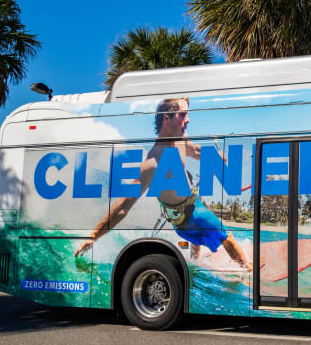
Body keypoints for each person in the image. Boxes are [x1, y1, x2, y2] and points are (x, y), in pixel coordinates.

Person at [75, 97, 251, 269]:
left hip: (191, 208)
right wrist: (94, 235)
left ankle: (194, 265)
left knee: (197, 241)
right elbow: (123, 205)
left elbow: (197, 152)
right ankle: (247, 270)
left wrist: (215, 157)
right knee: (227, 237)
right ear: (167, 118)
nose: (188, 120)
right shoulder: (152, 164)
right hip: (187, 218)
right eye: (183, 115)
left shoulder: (181, 140)